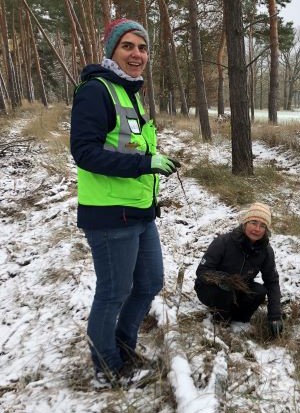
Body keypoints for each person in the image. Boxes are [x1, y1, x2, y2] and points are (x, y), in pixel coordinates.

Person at [70, 18, 180, 387]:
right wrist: (144, 163)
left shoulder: (128, 91)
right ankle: (107, 367)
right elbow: (84, 153)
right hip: (109, 215)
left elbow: (127, 144)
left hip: (139, 211)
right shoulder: (96, 90)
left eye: (143, 47)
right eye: (128, 46)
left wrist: (153, 157)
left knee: (149, 282)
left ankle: (122, 347)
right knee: (113, 292)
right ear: (112, 50)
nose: (137, 54)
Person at [194, 202, 283, 336]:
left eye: (262, 225)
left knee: (259, 291)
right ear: (245, 223)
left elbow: (272, 282)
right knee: (225, 292)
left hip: (238, 290)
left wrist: (275, 315)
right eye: (254, 222)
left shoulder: (266, 252)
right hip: (211, 289)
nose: (257, 229)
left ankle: (238, 322)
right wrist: (223, 279)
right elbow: (202, 271)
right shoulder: (223, 242)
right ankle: (220, 322)